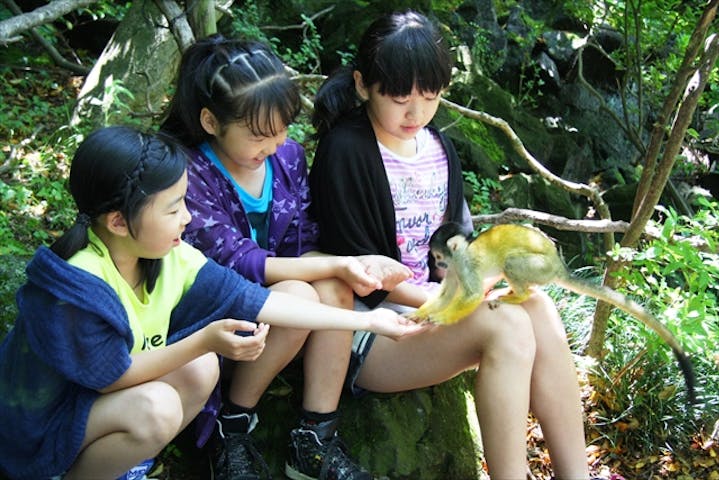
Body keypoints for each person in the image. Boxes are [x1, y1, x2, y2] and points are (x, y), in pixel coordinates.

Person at [0, 126, 423, 480]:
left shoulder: (168, 255)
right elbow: (112, 377)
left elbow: (254, 300)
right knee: (159, 406)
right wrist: (204, 340)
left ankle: (118, 464)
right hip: (39, 430)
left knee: (199, 372)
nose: (187, 217)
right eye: (173, 209)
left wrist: (373, 322)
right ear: (118, 222)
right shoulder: (78, 282)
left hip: (92, 409)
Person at [309, 10, 596, 480]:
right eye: (399, 97)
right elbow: (361, 277)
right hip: (373, 331)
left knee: (537, 306)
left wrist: (475, 284)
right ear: (363, 86)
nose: (415, 112)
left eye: (429, 96)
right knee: (506, 327)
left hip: (434, 313)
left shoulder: (439, 148)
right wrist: (446, 301)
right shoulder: (345, 150)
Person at [159, 35, 412, 480]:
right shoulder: (188, 172)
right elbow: (240, 263)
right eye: (259, 134)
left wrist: (356, 266)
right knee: (302, 290)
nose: (274, 144)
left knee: (333, 286)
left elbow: (303, 240)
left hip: (274, 317)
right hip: (209, 315)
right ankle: (232, 426)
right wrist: (334, 262)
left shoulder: (287, 158)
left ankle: (315, 437)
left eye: (282, 129)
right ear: (211, 121)